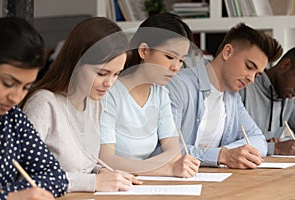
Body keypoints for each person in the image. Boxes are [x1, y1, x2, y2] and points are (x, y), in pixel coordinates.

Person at [22, 17, 141, 192]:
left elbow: (83, 165)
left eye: (116, 74)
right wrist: (93, 182)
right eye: (102, 73)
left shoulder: (94, 102)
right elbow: (25, 176)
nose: (109, 83)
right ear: (76, 63)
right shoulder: (44, 104)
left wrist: (104, 172)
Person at [166, 23, 283, 169]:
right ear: (228, 52)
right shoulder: (177, 85)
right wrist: (220, 155)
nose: (251, 79)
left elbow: (258, 140)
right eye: (249, 67)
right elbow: (164, 149)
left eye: (257, 74)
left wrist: (227, 153)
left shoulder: (233, 98)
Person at [99, 13, 200, 177]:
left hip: (142, 183)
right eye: (169, 56)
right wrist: (163, 169)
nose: (176, 67)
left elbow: (173, 151)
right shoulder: (109, 92)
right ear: (144, 51)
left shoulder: (161, 94)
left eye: (181, 60)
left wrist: (152, 168)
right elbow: (106, 159)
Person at [0, 17, 68, 200]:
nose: (16, 97)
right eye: (8, 83)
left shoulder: (11, 118)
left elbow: (56, 176)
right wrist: (9, 197)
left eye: (26, 87)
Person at [240, 47, 295, 155]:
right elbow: (227, 142)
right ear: (285, 65)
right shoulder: (244, 87)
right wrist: (273, 148)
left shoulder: (289, 95)